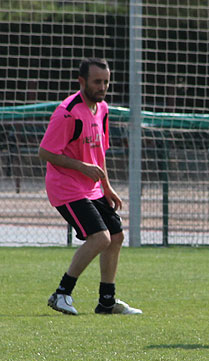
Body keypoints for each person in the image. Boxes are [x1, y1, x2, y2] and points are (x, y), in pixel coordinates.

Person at [39, 58, 141, 316]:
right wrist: (82, 167)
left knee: (116, 236)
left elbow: (100, 153)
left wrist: (107, 186)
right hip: (66, 188)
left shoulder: (102, 108)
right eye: (97, 82)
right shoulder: (67, 112)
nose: (103, 87)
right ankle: (61, 293)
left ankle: (107, 301)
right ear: (81, 81)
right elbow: (45, 152)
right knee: (100, 237)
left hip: (92, 188)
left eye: (106, 81)